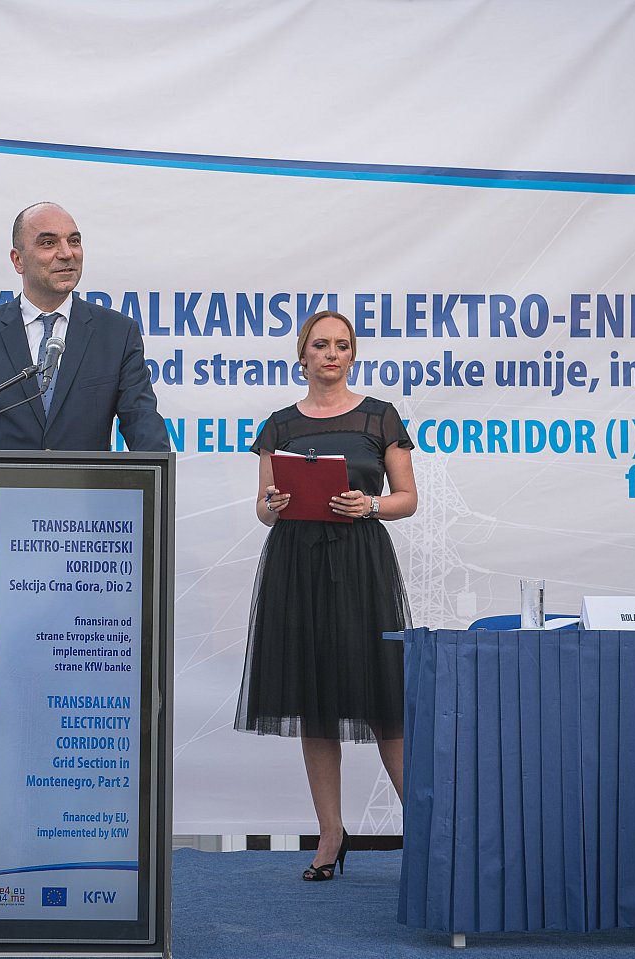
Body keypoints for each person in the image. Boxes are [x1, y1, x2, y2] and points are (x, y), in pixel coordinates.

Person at [234, 309, 417, 882]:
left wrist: (371, 504)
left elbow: (407, 498)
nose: (331, 354)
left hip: (361, 564)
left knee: (385, 701)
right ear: (302, 355)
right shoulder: (279, 426)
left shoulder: (380, 416)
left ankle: (430, 831)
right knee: (313, 703)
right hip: (297, 566)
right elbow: (264, 510)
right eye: (320, 345)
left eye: (341, 345)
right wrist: (273, 505)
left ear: (352, 355)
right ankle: (330, 835)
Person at [0, 202, 168, 451]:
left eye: (74, 241)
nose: (66, 253)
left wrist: (159, 476)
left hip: (84, 485)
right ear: (18, 260)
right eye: (48, 243)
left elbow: (144, 428)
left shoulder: (117, 334)